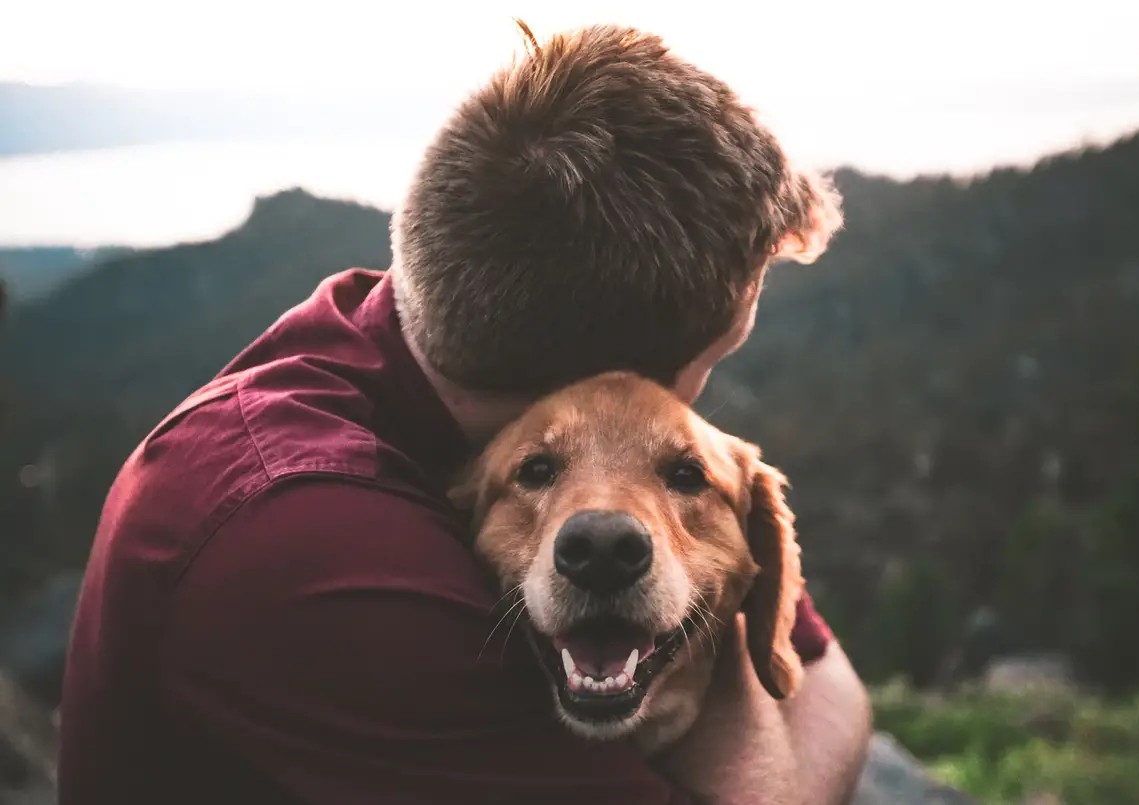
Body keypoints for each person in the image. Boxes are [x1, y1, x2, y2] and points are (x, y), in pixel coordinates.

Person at [57, 22, 871, 805]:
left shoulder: (399, 335)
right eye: (711, 362)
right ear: (607, 382)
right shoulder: (309, 547)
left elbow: (829, 680)